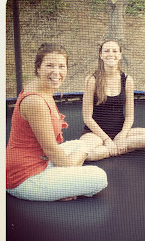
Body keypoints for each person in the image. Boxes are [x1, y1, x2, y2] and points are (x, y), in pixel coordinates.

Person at [6, 43, 107, 201]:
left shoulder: (42, 87)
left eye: (61, 66)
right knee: (99, 177)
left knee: (81, 145)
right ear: (38, 68)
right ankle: (57, 186)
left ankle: (60, 182)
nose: (57, 72)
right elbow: (51, 150)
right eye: (50, 66)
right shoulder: (35, 101)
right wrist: (70, 175)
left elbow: (50, 150)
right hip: (23, 178)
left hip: (41, 160)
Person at [80, 40, 145, 160]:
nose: (111, 54)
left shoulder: (127, 80)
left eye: (115, 51)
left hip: (119, 132)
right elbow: (87, 117)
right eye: (106, 51)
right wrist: (106, 139)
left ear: (120, 55)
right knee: (84, 154)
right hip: (95, 134)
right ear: (101, 55)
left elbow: (129, 116)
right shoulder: (92, 80)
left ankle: (113, 148)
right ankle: (121, 148)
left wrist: (122, 135)